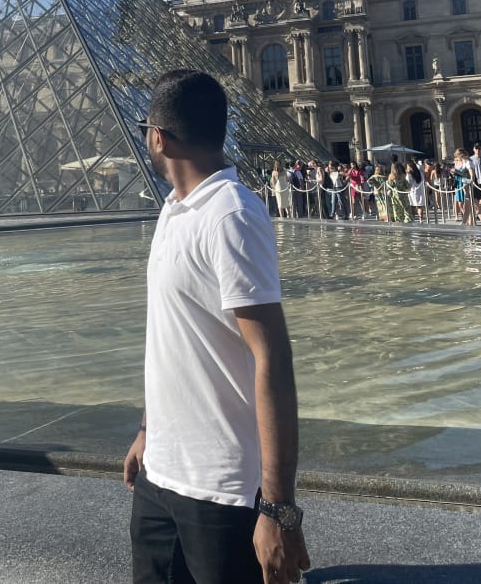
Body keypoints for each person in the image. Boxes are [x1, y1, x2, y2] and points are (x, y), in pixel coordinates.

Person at [124, 71, 310, 584]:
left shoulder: (231, 215)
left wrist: (277, 509)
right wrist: (147, 429)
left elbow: (272, 356)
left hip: (222, 489)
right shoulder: (174, 209)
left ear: (158, 136)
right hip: (161, 475)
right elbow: (173, 338)